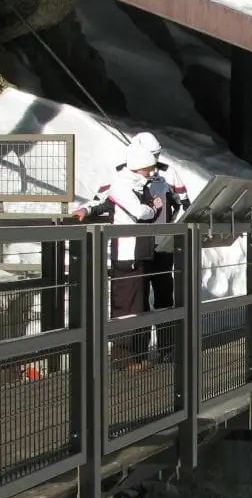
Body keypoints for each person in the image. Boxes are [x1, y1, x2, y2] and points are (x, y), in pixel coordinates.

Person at [74, 135, 165, 370]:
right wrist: (153, 207)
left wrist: (152, 208)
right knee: (126, 304)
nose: (151, 170)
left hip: (141, 251)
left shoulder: (140, 184)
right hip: (128, 252)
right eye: (149, 164)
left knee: (140, 303)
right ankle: (124, 357)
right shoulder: (123, 184)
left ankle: (138, 353)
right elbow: (137, 212)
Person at [141, 134, 189, 361]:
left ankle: (167, 348)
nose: (154, 160)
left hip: (162, 245)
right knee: (137, 297)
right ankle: (137, 353)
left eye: (156, 155)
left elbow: (185, 203)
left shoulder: (168, 173)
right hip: (136, 246)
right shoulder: (124, 174)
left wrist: (171, 226)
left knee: (163, 294)